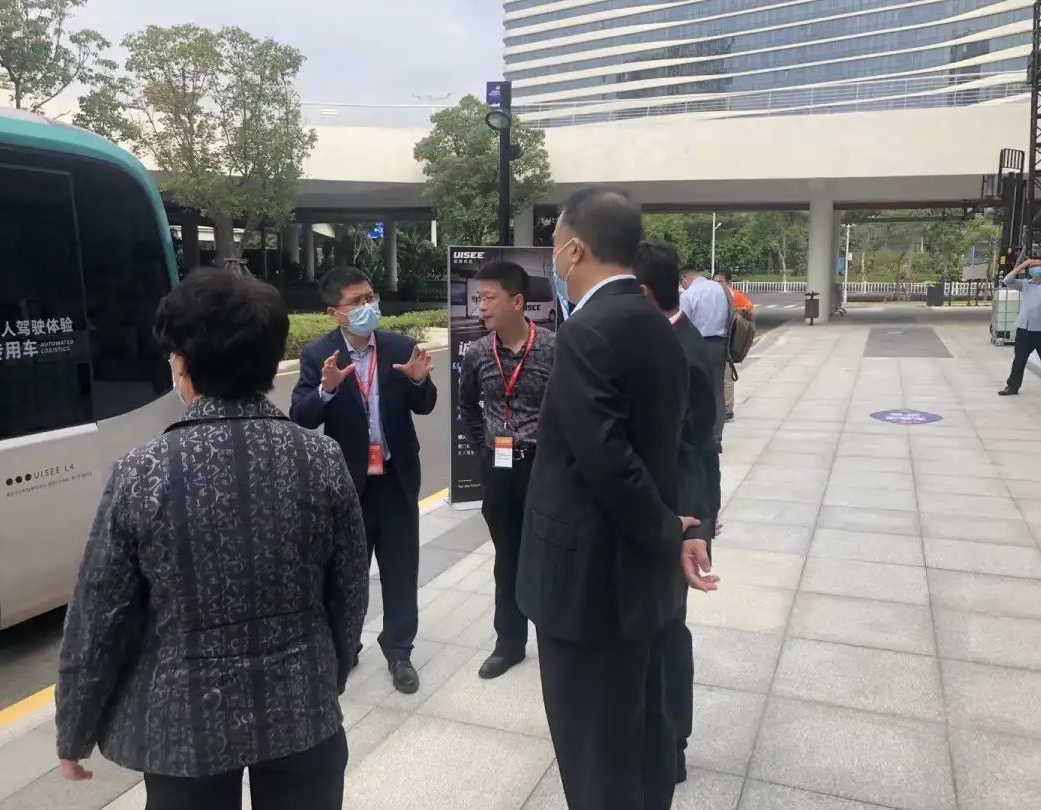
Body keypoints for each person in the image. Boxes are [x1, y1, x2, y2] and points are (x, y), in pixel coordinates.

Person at [55, 269, 369, 810]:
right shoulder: (320, 458)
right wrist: (328, 675)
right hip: (302, 709)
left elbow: (100, 614)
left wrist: (74, 730)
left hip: (184, 727)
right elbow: (349, 589)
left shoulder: (143, 470)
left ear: (182, 363)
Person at [521, 188, 719, 810]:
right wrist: (681, 529)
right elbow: (679, 445)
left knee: (595, 755)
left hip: (586, 584)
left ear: (575, 248)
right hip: (639, 580)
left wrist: (668, 530)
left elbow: (606, 460)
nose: (555, 259)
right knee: (641, 738)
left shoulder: (588, 330)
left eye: (556, 246)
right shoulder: (660, 324)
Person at [290, 267, 437, 694]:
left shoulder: (400, 347)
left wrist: (418, 381)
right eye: (356, 302)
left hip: (395, 478)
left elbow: (425, 404)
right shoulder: (319, 355)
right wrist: (327, 390)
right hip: (348, 484)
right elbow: (301, 416)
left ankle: (399, 651)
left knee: (400, 568)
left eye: (370, 297)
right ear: (334, 313)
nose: (368, 307)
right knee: (347, 574)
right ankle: (347, 645)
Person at [635, 241, 720, 784]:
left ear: (644, 293)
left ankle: (673, 743)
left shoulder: (679, 351)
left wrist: (696, 524)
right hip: (664, 513)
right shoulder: (667, 340)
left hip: (676, 518)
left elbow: (697, 448)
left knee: (668, 632)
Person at [458, 261, 556, 679]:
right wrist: (486, 445)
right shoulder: (478, 353)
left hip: (542, 468)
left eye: (489, 298)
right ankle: (509, 643)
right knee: (507, 558)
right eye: (478, 298)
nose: (481, 307)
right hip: (498, 470)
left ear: (517, 302)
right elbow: (467, 405)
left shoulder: (553, 347)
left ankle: (555, 640)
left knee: (549, 556)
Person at [680, 266, 731, 447]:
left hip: (697, 345)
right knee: (717, 391)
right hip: (719, 344)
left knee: (693, 391)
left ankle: (699, 436)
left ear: (685, 279)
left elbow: (683, 324)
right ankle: (716, 439)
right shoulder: (720, 289)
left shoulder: (688, 295)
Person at [998, 257, 1041, 399]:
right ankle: (1012, 386)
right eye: (1031, 266)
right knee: (1019, 360)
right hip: (1024, 329)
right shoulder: (1026, 284)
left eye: (1036, 265)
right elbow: (1007, 281)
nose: (1033, 268)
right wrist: (1022, 265)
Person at [714, 269, 755, 422]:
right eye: (714, 282)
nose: (717, 285)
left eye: (720, 282)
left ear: (729, 283)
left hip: (728, 342)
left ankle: (727, 409)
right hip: (715, 341)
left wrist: (737, 312)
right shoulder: (712, 296)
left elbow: (750, 308)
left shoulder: (734, 295)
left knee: (726, 377)